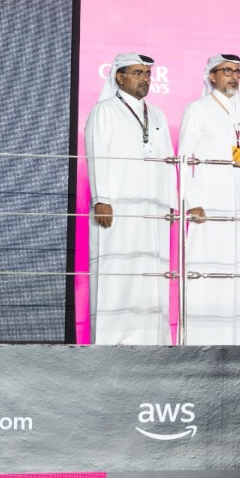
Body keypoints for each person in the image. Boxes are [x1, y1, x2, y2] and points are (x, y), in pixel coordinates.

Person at [84, 53, 176, 345]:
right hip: (117, 207)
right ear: (119, 77)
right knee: (118, 270)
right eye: (137, 73)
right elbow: (97, 154)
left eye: (147, 74)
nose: (144, 79)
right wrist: (102, 198)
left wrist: (171, 203)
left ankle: (152, 338)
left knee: (152, 271)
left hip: (154, 209)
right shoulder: (105, 110)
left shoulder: (158, 114)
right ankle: (114, 339)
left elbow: (168, 160)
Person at [178, 54, 240, 345]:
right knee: (209, 263)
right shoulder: (198, 109)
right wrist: (192, 201)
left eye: (237, 72)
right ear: (212, 76)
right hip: (208, 200)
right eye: (226, 71)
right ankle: (204, 336)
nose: (233, 77)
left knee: (239, 264)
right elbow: (183, 159)